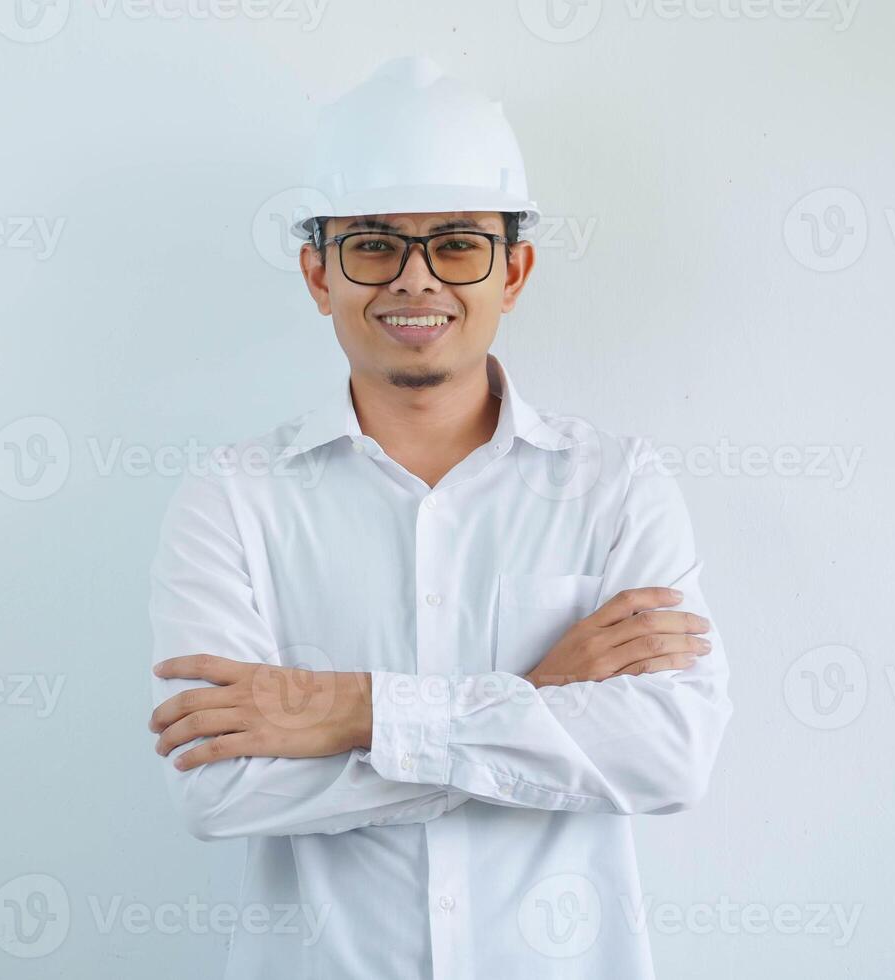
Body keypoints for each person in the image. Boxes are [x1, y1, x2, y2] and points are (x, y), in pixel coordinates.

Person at [147, 54, 731, 979]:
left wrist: (355, 709)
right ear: (317, 273)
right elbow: (220, 793)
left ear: (514, 270)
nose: (416, 282)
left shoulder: (617, 487)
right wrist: (535, 699)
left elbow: (667, 757)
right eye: (374, 244)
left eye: (456, 243)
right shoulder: (233, 499)